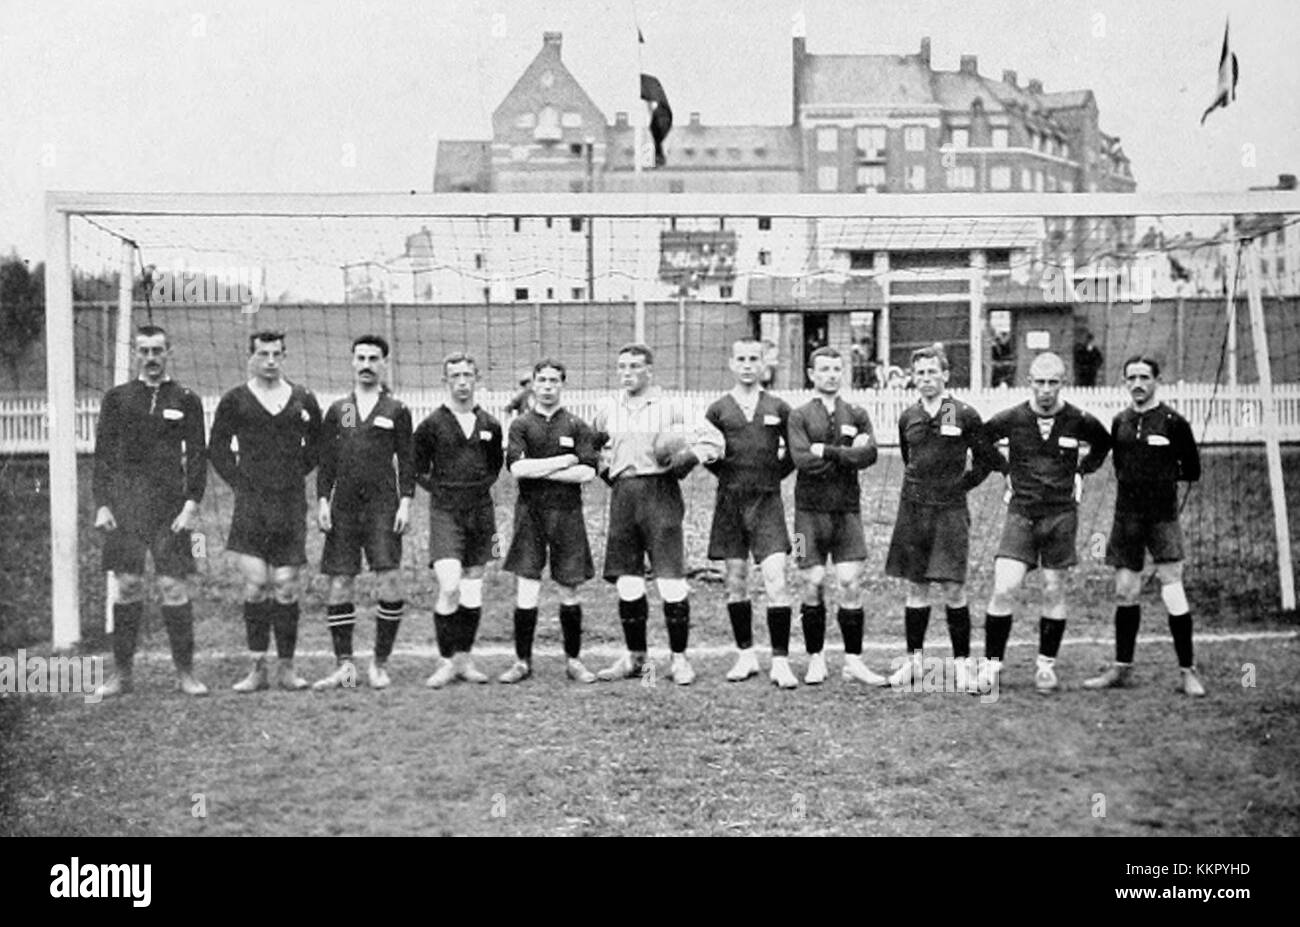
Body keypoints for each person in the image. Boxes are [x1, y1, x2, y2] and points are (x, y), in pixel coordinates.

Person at [589, 343, 722, 686]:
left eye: (635, 366)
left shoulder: (671, 405)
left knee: (670, 580)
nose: (627, 373)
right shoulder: (607, 408)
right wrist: (605, 470)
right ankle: (637, 659)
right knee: (628, 581)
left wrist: (689, 456)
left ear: (649, 370)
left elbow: (714, 439)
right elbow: (592, 446)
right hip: (623, 496)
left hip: (660, 494)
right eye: (622, 366)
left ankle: (679, 660)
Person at [981, 352, 1112, 693]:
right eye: (1039, 382)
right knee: (1004, 587)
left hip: (1061, 515)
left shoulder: (1079, 420)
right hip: (1021, 514)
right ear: (1029, 383)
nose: (1045, 390)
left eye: (1053, 383)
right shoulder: (1011, 418)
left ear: (1062, 384)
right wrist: (1004, 467)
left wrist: (1083, 470)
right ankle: (992, 667)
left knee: (1053, 588)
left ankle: (1045, 667)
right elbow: (981, 440)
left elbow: (1103, 443)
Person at [92, 325, 208, 697]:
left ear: (168, 352)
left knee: (173, 587)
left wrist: (192, 504)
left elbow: (198, 456)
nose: (151, 358)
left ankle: (185, 674)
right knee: (127, 587)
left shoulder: (186, 398)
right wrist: (103, 504)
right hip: (126, 507)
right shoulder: (117, 398)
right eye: (144, 351)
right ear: (135, 354)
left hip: (170, 509)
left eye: (158, 350)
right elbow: (103, 456)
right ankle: (122, 674)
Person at [1085, 355, 1205, 697]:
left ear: (1156, 380)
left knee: (1172, 590)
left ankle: (1188, 671)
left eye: (1144, 377)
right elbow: (1120, 466)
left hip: (1162, 518)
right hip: (1127, 518)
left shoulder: (1173, 422)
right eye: (1131, 378)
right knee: (1125, 591)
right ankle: (1121, 668)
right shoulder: (1119, 421)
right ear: (1125, 382)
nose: (1137, 383)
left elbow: (1192, 469)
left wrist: (1161, 480)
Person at [210, 330, 323, 692]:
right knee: (257, 586)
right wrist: (241, 482)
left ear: (284, 357)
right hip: (251, 504)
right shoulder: (235, 400)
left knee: (286, 586)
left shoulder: (303, 398)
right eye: (263, 354)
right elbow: (218, 449)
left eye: (276, 354)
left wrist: (292, 476)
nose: (270, 361)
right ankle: (257, 669)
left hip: (289, 503)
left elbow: (317, 447)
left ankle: (287, 669)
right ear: (251, 357)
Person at [885, 345, 1001, 689]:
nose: (926, 379)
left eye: (932, 372)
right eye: (919, 373)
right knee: (916, 586)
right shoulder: (909, 416)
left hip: (950, 511)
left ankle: (963, 665)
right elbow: (909, 459)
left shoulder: (962, 413)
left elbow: (986, 460)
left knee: (953, 587)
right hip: (914, 510)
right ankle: (915, 662)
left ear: (945, 375)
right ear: (913, 377)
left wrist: (961, 486)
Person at [311, 335, 414, 691]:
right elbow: (327, 461)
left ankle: (379, 663)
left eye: (374, 358)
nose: (367, 364)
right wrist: (323, 500)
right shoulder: (341, 409)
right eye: (361, 358)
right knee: (340, 581)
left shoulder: (395, 409)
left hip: (383, 505)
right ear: (352, 362)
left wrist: (406, 501)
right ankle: (345, 666)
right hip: (344, 507)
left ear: (384, 363)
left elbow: (408, 461)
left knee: (390, 579)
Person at [788, 347, 890, 687]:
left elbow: (870, 454)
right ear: (811, 374)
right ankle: (815, 659)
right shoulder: (799, 416)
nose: (831, 374)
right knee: (810, 582)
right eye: (824, 369)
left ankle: (853, 662)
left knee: (850, 582)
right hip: (807, 515)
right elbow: (802, 460)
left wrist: (828, 451)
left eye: (836, 368)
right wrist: (849, 455)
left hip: (847, 512)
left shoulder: (856, 412)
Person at [499, 358, 600, 684]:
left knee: (569, 588)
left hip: (567, 514)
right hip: (530, 514)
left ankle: (574, 661)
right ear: (533, 384)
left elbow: (587, 473)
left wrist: (543, 467)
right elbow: (518, 470)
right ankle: (522, 661)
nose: (546, 386)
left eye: (553, 380)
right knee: (527, 587)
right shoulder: (521, 425)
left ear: (562, 384)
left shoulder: (575, 425)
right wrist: (564, 461)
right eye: (541, 380)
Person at [704, 339, 796, 685]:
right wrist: (729, 476)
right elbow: (709, 455)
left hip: (768, 502)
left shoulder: (779, 407)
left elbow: (794, 454)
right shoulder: (717, 410)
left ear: (763, 364)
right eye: (740, 358)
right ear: (731, 363)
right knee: (735, 580)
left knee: (777, 578)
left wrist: (772, 476)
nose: (747, 365)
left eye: (753, 359)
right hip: (729, 503)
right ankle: (745, 656)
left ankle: (781, 661)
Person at [412, 352, 504, 688]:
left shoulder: (491, 425)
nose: (462, 383)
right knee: (449, 584)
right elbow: (417, 468)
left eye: (468, 375)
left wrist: (475, 490)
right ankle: (446, 661)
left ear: (477, 379)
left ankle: (464, 660)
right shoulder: (431, 425)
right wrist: (444, 491)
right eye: (455, 376)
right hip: (445, 512)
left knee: (472, 588)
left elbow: (495, 467)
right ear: (445, 381)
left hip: (480, 512)